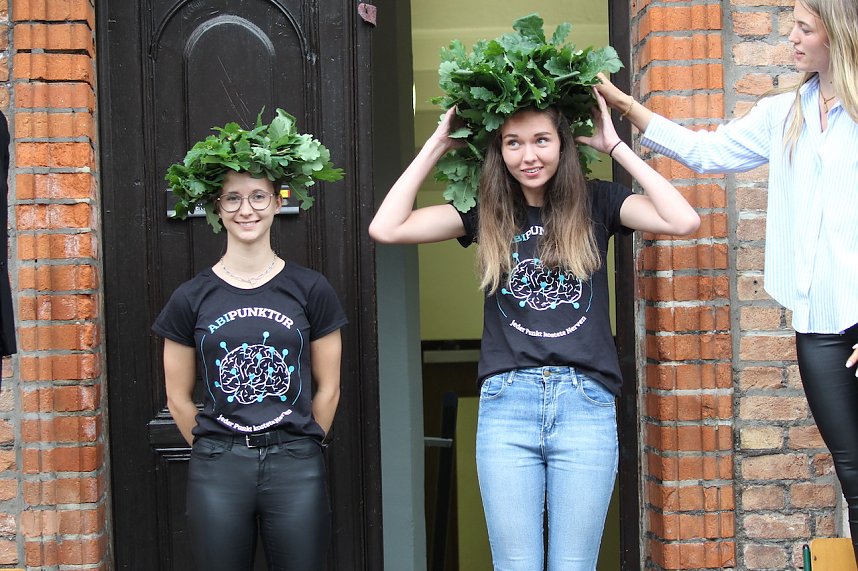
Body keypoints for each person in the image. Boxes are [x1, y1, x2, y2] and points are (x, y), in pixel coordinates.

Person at [369, 89, 699, 568]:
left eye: (541, 140)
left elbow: (683, 220)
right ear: (499, 150)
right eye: (513, 143)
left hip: (585, 404)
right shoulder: (486, 209)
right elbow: (387, 227)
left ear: (563, 142)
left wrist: (615, 146)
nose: (529, 156)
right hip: (507, 406)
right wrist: (437, 143)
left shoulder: (598, 201)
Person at [595, 0, 858, 562]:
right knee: (854, 476)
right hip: (821, 326)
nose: (791, 38)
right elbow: (705, 151)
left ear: (838, 34)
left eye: (804, 28)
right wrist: (624, 107)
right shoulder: (784, 114)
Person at [152, 111, 346, 571]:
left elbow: (329, 388)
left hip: (296, 464)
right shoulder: (190, 298)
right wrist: (219, 449)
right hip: (218, 467)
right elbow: (177, 398)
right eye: (233, 198)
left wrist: (301, 443)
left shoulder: (311, 289)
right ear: (217, 208)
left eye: (258, 196)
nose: (247, 209)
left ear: (277, 203)